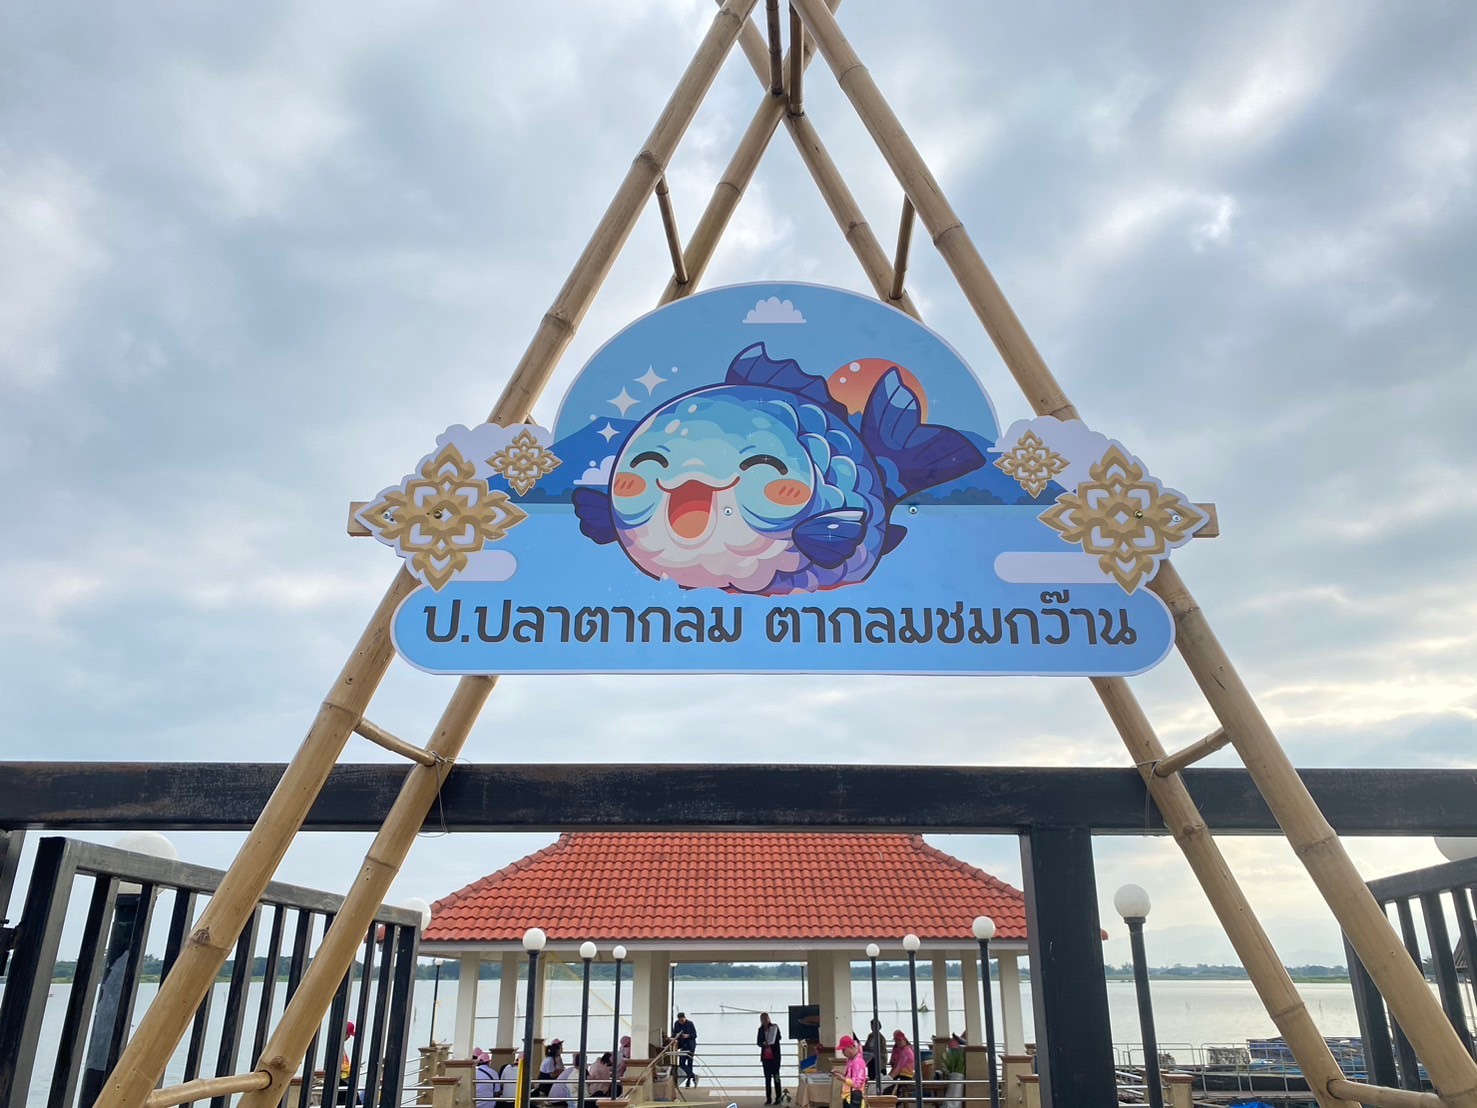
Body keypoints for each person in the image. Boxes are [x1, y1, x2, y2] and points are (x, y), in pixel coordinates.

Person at [757, 1011, 784, 1104]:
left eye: (766, 1018)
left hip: (775, 1057)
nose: (764, 1020)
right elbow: (758, 1042)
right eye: (762, 1019)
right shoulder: (760, 1030)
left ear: (769, 1019)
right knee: (767, 1078)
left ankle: (779, 1098)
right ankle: (768, 1099)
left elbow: (779, 1037)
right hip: (766, 1057)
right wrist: (763, 1043)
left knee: (776, 1077)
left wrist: (772, 1039)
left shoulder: (774, 1027)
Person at [837, 1036, 868, 1108]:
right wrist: (840, 1074)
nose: (843, 1053)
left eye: (843, 1050)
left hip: (854, 1098)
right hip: (848, 1097)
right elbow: (850, 1077)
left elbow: (858, 1084)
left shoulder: (858, 1062)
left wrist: (843, 1079)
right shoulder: (851, 1060)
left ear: (850, 1047)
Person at [670, 1012, 698, 1087]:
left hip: (690, 1046)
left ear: (685, 1018)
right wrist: (675, 1036)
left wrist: (688, 1035)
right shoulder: (676, 1024)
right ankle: (693, 1076)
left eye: (682, 1020)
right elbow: (674, 1034)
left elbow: (694, 1035)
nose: (681, 1022)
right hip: (683, 1046)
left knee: (689, 1063)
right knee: (682, 1064)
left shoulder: (690, 1023)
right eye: (680, 1021)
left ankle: (688, 1081)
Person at [888, 1030, 916, 1095]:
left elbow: (898, 1068)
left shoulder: (905, 1052)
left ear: (904, 1040)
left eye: (899, 1040)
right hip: (903, 1074)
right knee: (890, 1084)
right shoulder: (903, 1049)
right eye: (896, 1040)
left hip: (906, 1075)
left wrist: (888, 1078)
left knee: (891, 1086)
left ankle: (894, 1099)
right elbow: (895, 1064)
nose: (898, 1042)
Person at [864, 1020, 887, 1088]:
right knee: (871, 1076)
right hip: (870, 1059)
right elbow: (866, 1047)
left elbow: (883, 1051)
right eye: (871, 1026)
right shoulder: (870, 1036)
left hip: (878, 1061)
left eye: (874, 1026)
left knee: (877, 1078)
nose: (872, 1027)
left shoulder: (881, 1038)